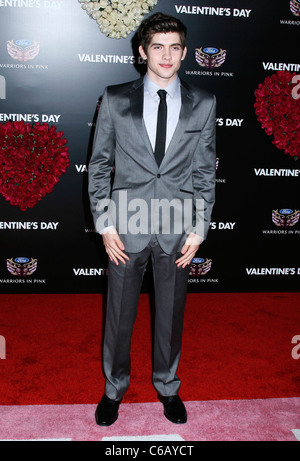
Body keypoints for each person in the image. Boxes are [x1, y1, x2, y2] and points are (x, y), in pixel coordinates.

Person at [88, 12, 216, 426]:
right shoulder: (114, 98)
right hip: (126, 224)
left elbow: (204, 172)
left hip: (178, 226)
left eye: (175, 47)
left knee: (171, 314)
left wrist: (199, 227)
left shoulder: (205, 103)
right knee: (119, 316)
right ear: (142, 52)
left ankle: (167, 385)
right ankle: (114, 389)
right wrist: (105, 224)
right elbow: (100, 166)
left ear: (183, 53)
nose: (167, 55)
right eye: (158, 47)